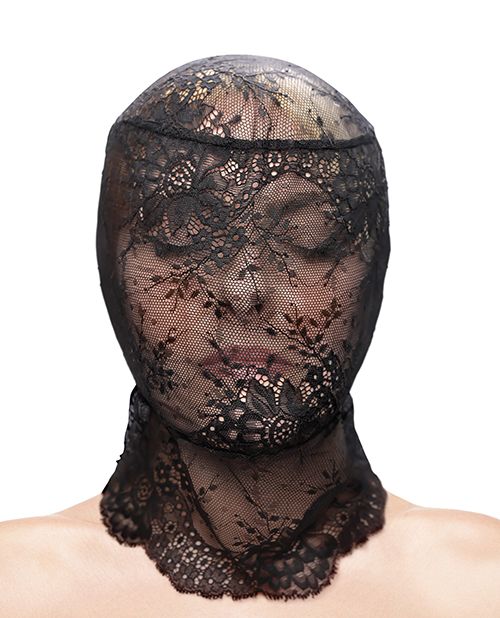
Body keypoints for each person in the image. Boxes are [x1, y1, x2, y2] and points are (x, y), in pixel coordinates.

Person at [1, 54, 499, 617]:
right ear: (113, 261)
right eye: (183, 228)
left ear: (372, 263)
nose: (243, 288)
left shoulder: (479, 583)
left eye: (307, 232)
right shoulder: (16, 584)